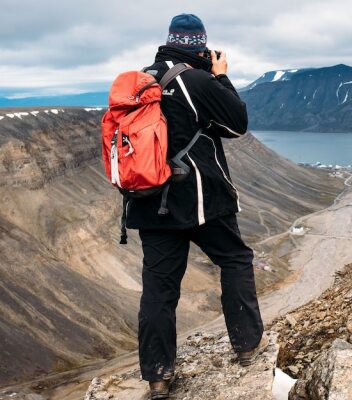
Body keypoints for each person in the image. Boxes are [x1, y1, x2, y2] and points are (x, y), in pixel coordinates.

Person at [124, 13, 267, 399]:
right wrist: (220, 75)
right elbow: (237, 123)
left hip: (149, 200)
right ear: (199, 43)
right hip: (200, 199)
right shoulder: (196, 79)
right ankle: (247, 346)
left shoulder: (143, 78)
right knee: (235, 259)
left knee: (158, 288)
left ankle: (158, 375)